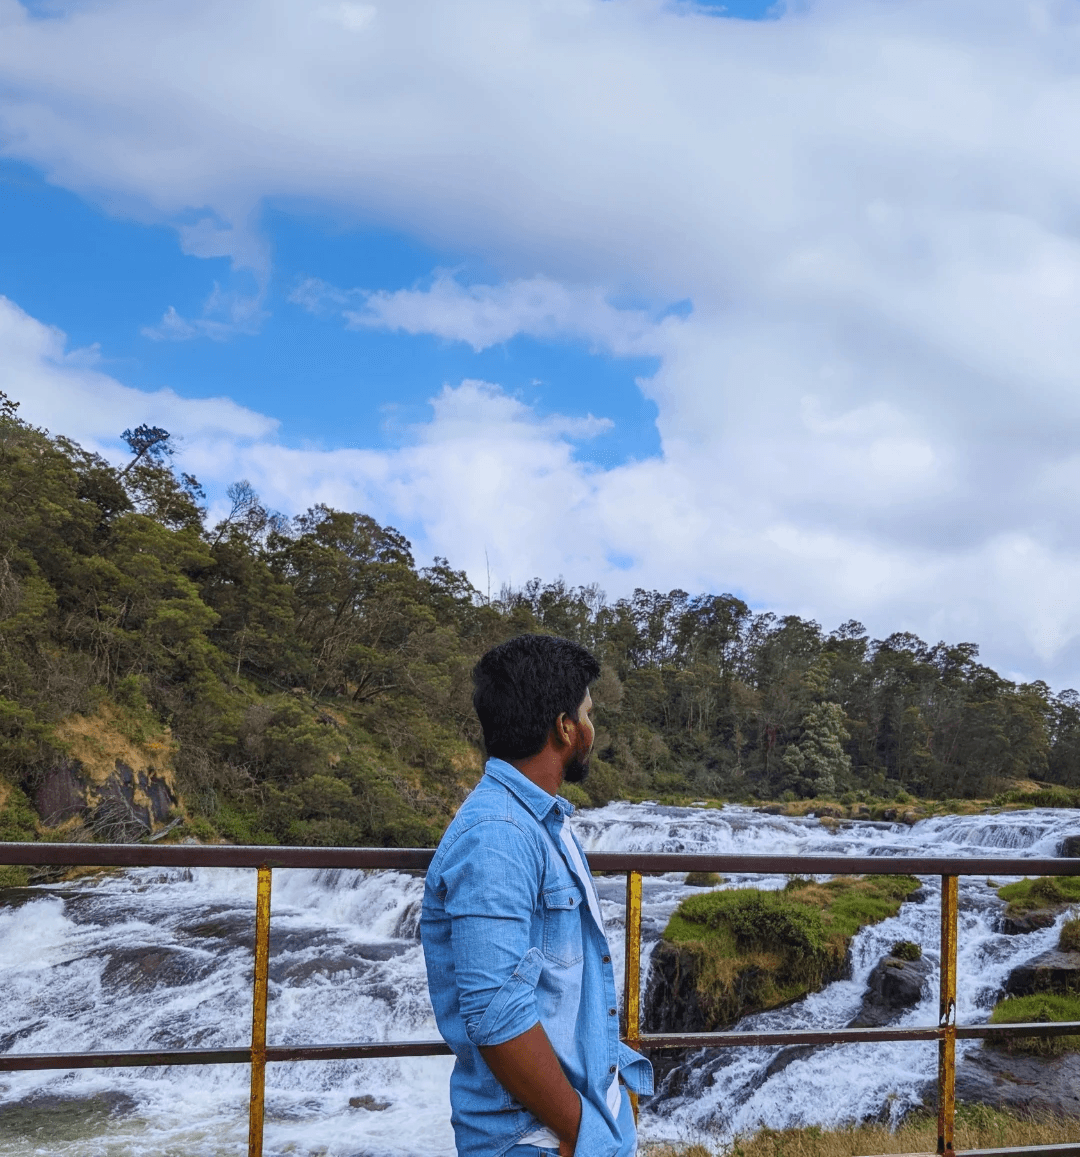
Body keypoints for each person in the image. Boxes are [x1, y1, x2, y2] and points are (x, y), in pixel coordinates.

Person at [420, 633, 652, 1157]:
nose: (593, 728)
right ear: (565, 727)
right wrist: (580, 1133)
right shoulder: (499, 835)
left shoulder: (542, 819)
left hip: (572, 1117)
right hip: (535, 1138)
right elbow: (496, 1015)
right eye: (588, 713)